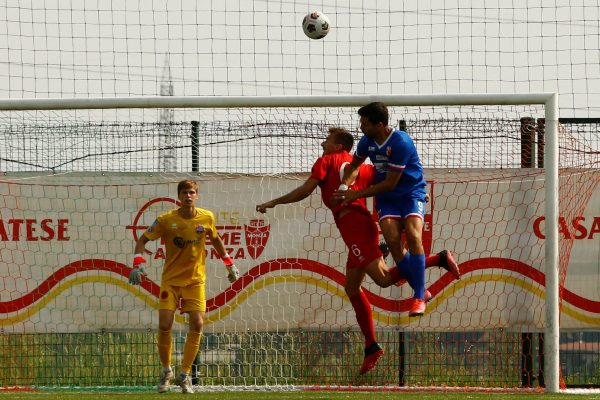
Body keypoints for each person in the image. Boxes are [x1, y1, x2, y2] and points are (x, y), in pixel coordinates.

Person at [256, 127, 459, 375]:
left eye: (327, 140)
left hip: (354, 226)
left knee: (383, 280)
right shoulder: (363, 167)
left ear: (339, 147)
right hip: (359, 224)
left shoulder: (327, 160)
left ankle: (437, 259)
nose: (323, 144)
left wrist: (274, 202)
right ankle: (371, 346)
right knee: (352, 287)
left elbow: (305, 190)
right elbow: (387, 180)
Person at [128, 179, 240, 394]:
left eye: (191, 192)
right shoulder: (165, 220)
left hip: (195, 280)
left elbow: (216, 240)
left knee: (197, 324)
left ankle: (185, 374)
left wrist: (230, 264)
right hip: (170, 280)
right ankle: (166, 371)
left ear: (196, 196)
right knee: (164, 323)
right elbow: (142, 241)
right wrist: (137, 264)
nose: (188, 196)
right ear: (178, 197)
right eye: (184, 193)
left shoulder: (206, 217)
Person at [334, 101, 437, 317]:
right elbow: (354, 166)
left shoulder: (401, 142)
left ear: (379, 124)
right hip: (387, 199)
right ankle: (423, 288)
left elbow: (390, 183)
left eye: (364, 123)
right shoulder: (366, 142)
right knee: (391, 239)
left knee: (413, 235)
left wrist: (355, 194)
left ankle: (418, 296)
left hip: (410, 193)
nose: (361, 127)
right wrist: (345, 186)